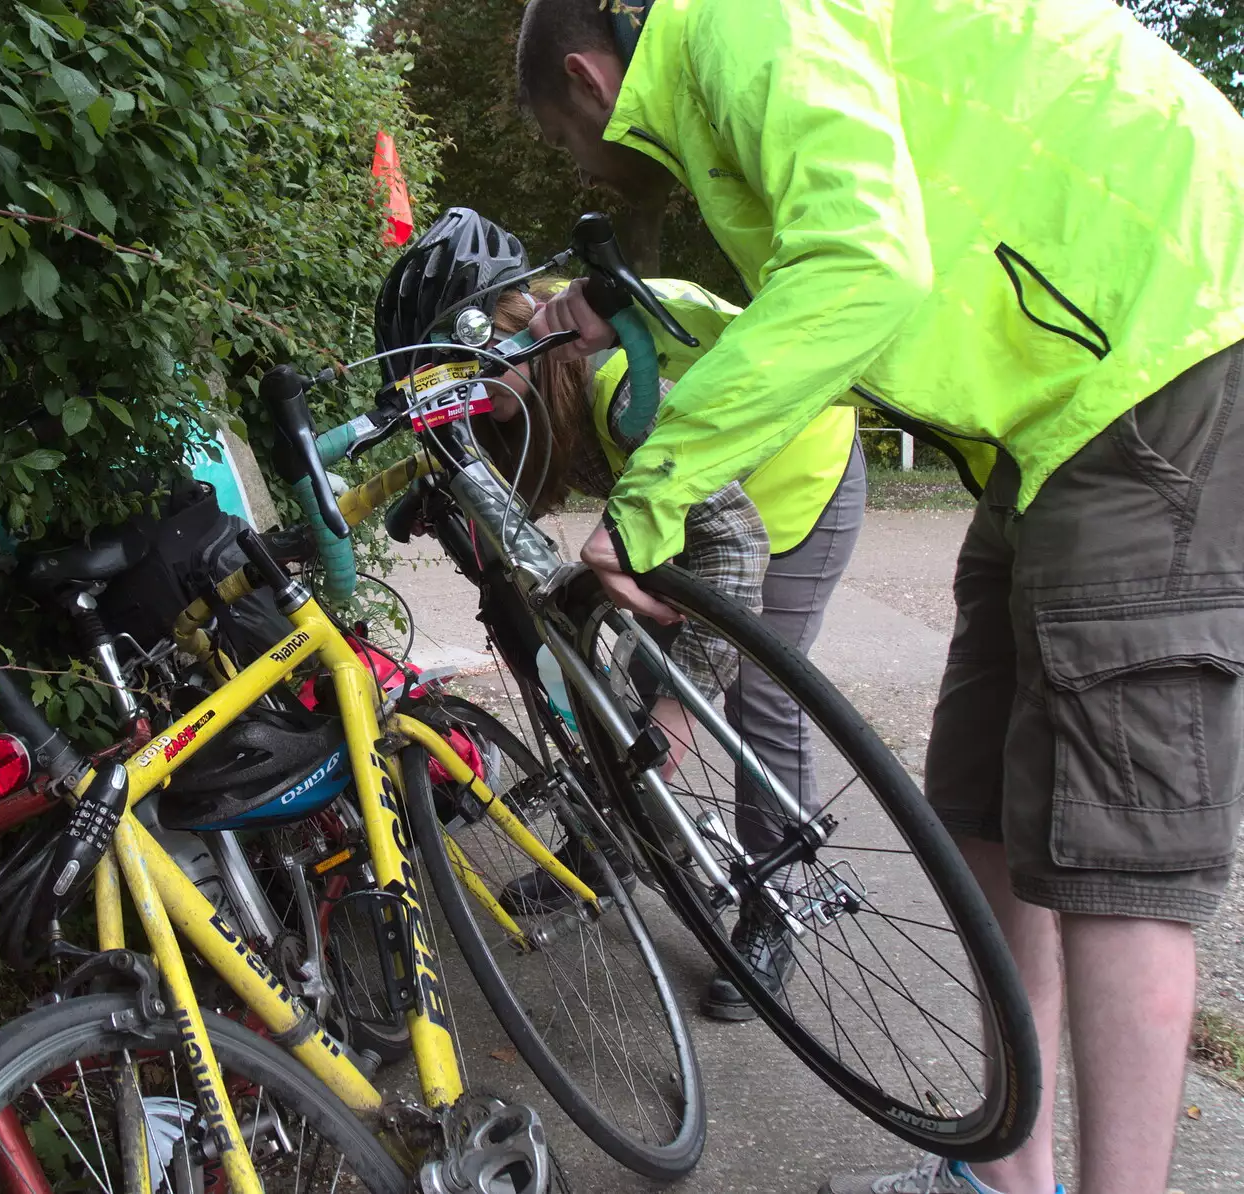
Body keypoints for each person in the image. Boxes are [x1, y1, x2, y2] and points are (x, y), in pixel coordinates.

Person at [514, 1, 1244, 1193]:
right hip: (1051, 419)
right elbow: (820, 300)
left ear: (589, 80)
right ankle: (1004, 1178)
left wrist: (650, 500)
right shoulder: (729, 79)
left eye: (559, 139)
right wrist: (646, 310)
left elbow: (865, 264)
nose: (579, 164)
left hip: (1160, 357)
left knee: (1116, 854)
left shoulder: (736, 28)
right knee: (980, 809)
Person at [474, 273, 866, 1022]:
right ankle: (612, 839)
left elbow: (738, 548)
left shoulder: (621, 385)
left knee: (760, 694)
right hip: (699, 501)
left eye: (481, 356)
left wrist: (674, 718)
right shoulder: (545, 388)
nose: (468, 381)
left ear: (525, 326)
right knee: (626, 678)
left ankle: (773, 902)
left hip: (795, 488)